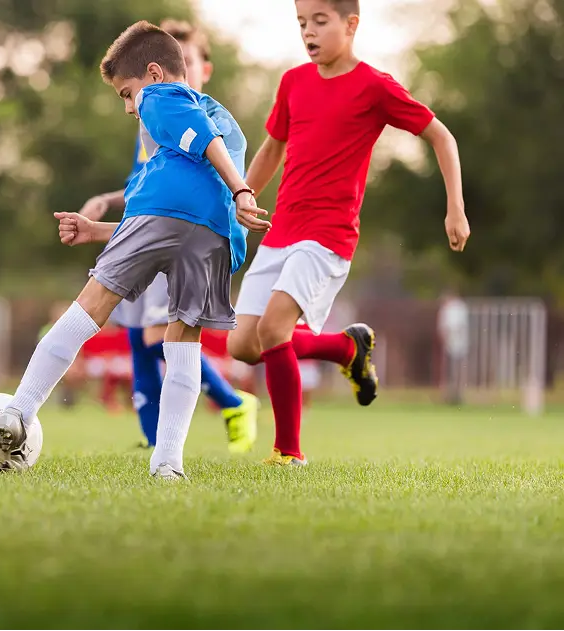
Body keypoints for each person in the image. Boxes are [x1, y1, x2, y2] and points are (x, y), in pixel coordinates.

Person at [0, 20, 268, 479]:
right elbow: (190, 190)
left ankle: (17, 413)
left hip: (173, 213)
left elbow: (193, 154)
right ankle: (168, 464)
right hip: (214, 234)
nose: (128, 107)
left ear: (154, 74)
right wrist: (98, 229)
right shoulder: (226, 118)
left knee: (91, 307)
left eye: (125, 93)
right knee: (183, 343)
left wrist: (243, 190)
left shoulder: (163, 96)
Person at [224, 0, 471, 466]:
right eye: (301, 24)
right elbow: (273, 147)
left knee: (276, 327)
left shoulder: (374, 86)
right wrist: (244, 194)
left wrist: (455, 208)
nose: (308, 33)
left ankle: (288, 453)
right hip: (282, 230)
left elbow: (442, 136)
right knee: (243, 345)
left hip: (328, 235)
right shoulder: (293, 82)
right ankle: (345, 347)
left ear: (351, 24)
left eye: (320, 22)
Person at [78, 20, 261, 454]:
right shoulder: (153, 117)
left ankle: (230, 403)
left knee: (157, 335)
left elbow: (204, 177)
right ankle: (153, 438)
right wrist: (107, 201)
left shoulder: (206, 120)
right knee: (137, 332)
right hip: (151, 221)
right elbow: (148, 182)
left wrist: (241, 193)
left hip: (184, 232)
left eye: (192, 60)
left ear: (199, 68)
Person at [437, 290, 469, 405]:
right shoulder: (445, 309)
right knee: (448, 372)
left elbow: (460, 326)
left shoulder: (459, 307)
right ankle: (448, 395)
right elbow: (443, 328)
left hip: (459, 345)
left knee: (458, 371)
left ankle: (458, 394)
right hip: (448, 345)